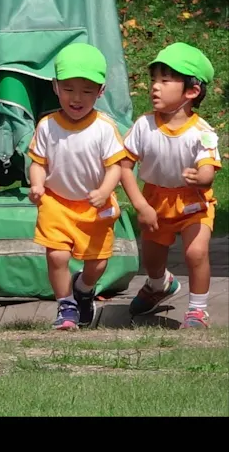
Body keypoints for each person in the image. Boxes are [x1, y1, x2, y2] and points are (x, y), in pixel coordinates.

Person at [120, 42, 220, 328]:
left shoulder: (202, 132)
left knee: (196, 252)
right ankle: (158, 284)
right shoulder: (143, 126)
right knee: (151, 259)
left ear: (192, 91)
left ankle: (198, 309)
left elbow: (208, 170)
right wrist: (140, 205)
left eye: (165, 80)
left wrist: (201, 178)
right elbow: (124, 165)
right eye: (154, 80)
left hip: (193, 202)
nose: (155, 87)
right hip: (154, 201)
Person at [27, 42, 127, 330]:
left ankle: (83, 288)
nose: (77, 98)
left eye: (87, 91)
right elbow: (38, 162)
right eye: (69, 89)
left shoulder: (104, 127)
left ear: (101, 92)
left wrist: (105, 190)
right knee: (56, 255)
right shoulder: (47, 125)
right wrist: (37, 185)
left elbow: (115, 167)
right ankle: (66, 305)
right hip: (56, 203)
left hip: (95, 207)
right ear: (56, 87)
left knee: (97, 263)